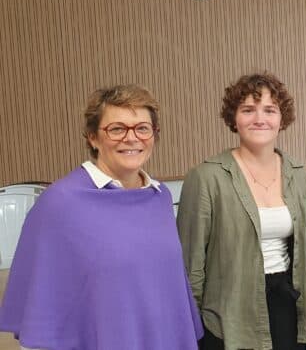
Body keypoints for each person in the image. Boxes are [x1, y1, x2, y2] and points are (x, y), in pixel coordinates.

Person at [0, 84, 203, 350]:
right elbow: (43, 304)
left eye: (142, 128)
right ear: (93, 137)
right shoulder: (60, 202)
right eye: (117, 129)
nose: (132, 138)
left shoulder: (159, 196)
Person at [177, 72, 306, 350]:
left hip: (286, 302)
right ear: (234, 118)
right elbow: (190, 264)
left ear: (282, 117)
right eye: (248, 110)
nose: (259, 119)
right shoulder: (207, 177)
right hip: (229, 311)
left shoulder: (299, 175)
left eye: (269, 110)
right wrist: (191, 327)